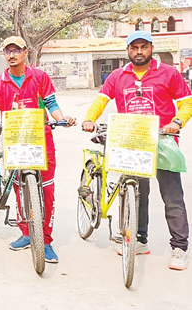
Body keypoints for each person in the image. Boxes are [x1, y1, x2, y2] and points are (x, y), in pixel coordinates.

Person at [82, 30, 192, 271]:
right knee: (136, 193)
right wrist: (89, 118)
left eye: (143, 47)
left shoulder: (168, 73)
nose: (139, 51)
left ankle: (179, 247)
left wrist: (177, 122)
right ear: (128, 51)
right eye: (134, 47)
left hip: (163, 141)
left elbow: (186, 102)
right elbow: (101, 100)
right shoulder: (118, 76)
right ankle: (139, 240)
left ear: (151, 48)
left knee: (172, 196)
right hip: (132, 143)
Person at [0, 36, 76, 263]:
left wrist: (62, 119)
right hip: (14, 142)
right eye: (7, 51)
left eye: (16, 50)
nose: (11, 55)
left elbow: (51, 104)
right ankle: (25, 232)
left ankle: (46, 240)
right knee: (19, 188)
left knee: (47, 191)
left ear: (25, 53)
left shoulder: (39, 77)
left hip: (42, 140)